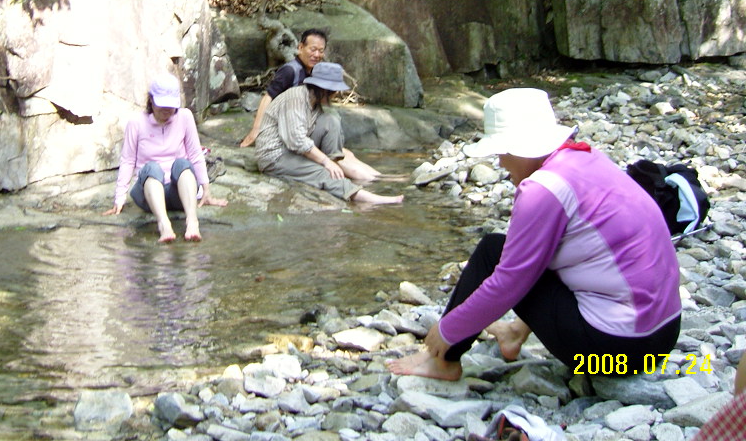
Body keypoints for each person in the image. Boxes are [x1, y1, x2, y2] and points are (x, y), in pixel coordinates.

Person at [388, 87, 681, 380]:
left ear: (519, 148)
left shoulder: (543, 189)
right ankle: (515, 333)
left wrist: (448, 331)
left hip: (614, 354)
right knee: (543, 253)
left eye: (503, 151)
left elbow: (509, 282)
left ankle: (443, 361)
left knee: (493, 251)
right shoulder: (587, 158)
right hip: (661, 340)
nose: (501, 162)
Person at [240, 28, 381, 183]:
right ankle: (373, 181)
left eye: (321, 51)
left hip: (303, 126)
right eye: (312, 49)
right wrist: (255, 130)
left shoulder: (315, 71)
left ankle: (380, 178)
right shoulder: (290, 70)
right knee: (340, 158)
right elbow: (268, 97)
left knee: (346, 154)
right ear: (300, 47)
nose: (316, 55)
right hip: (288, 132)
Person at [254, 62, 403, 205]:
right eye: (333, 90)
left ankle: (340, 167)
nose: (336, 94)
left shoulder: (314, 103)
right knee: (324, 173)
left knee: (331, 119)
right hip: (276, 156)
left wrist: (332, 160)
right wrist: (326, 162)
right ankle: (365, 196)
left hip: (294, 151)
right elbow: (296, 140)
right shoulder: (295, 98)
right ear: (323, 89)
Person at [104, 73, 227, 243]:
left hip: (179, 193)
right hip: (149, 194)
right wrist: (119, 198)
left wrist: (206, 190)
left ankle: (192, 222)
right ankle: (164, 225)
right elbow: (127, 160)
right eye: (162, 105)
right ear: (151, 100)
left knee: (183, 164)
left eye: (170, 106)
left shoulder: (184, 117)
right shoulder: (136, 122)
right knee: (152, 168)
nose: (166, 111)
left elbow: (195, 154)